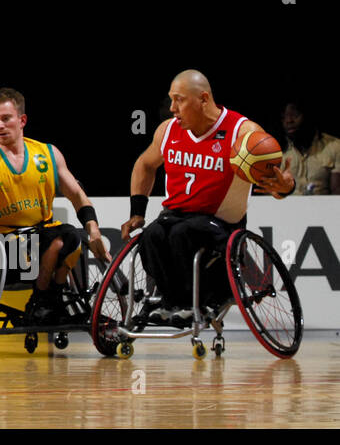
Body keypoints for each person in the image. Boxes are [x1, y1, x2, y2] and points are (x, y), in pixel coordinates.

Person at [122, 70, 294, 323]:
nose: (172, 108)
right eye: (171, 99)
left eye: (179, 100)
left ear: (203, 98)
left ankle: (199, 300)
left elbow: (275, 184)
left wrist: (285, 186)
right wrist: (137, 211)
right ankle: (172, 301)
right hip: (175, 216)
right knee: (153, 235)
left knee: (184, 233)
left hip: (221, 224)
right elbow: (145, 165)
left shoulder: (242, 132)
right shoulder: (167, 131)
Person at [0, 87, 108, 324]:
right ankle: (46, 301)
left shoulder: (47, 154)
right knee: (55, 241)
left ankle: (45, 301)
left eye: (6, 119)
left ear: (22, 120)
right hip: (1, 245)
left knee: (68, 235)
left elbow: (77, 195)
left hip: (41, 238)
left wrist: (94, 229)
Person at [280, 101, 340, 195]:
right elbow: (271, 193)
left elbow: (337, 192)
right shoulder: (278, 150)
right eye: (284, 117)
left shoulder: (334, 146)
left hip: (323, 207)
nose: (288, 121)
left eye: (295, 115)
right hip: (287, 207)